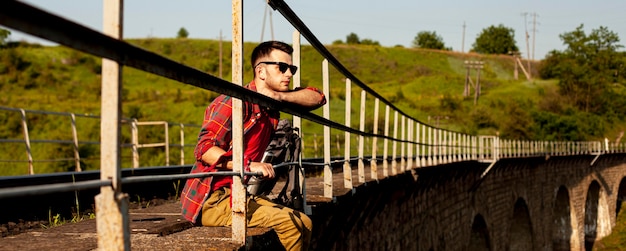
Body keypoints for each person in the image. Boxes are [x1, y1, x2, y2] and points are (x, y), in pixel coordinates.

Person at [180, 40, 326, 251]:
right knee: (290, 225)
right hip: (210, 200)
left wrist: (278, 96)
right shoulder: (234, 102)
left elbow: (318, 97)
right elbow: (204, 149)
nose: (289, 74)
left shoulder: (270, 107)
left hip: (238, 193)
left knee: (305, 222)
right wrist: (248, 165)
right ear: (261, 71)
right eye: (281, 67)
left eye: (291, 68)